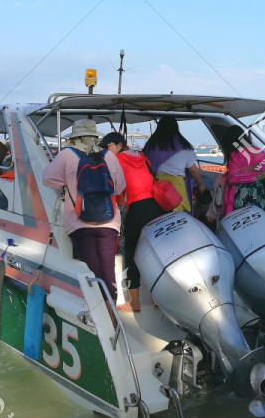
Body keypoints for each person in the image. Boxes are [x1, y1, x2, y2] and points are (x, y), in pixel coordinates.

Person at [42, 120, 125, 317]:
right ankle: (113, 317)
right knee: (108, 269)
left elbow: (47, 179)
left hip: (79, 221)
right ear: (95, 137)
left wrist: (68, 183)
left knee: (93, 270)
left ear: (75, 138)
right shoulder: (110, 157)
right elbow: (120, 187)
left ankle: (103, 319)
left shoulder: (66, 155)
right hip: (109, 221)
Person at [100, 132, 165, 313]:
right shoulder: (142, 156)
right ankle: (157, 298)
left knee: (131, 252)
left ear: (119, 145)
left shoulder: (117, 160)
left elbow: (116, 188)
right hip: (155, 206)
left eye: (108, 147)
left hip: (137, 207)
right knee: (154, 251)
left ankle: (134, 302)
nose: (106, 151)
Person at [143, 117, 208, 213]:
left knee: (159, 212)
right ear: (176, 127)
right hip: (177, 185)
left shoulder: (151, 145)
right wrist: (201, 185)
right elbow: (193, 170)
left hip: (156, 183)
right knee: (178, 212)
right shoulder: (184, 146)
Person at [218, 125, 265, 217]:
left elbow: (231, 179)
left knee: (239, 222)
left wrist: (246, 177)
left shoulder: (233, 156)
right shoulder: (258, 152)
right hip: (257, 193)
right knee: (258, 220)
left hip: (239, 195)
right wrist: (254, 177)